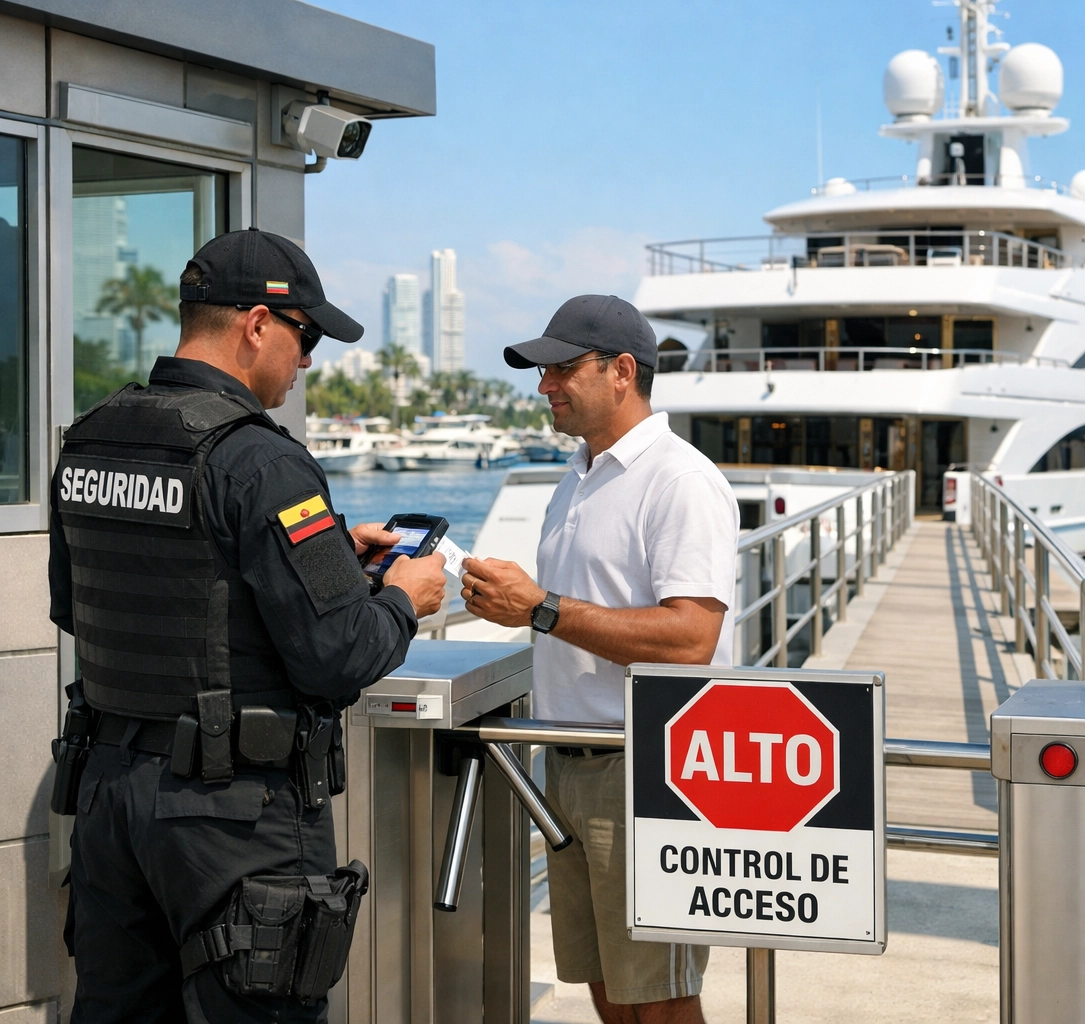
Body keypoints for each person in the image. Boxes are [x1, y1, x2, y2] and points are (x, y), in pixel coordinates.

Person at [49, 227, 447, 1023]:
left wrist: (328, 549)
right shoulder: (260, 461)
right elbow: (340, 654)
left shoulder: (91, 438)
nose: (307, 363)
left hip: (109, 805)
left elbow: (79, 605)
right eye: (304, 338)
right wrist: (404, 597)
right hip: (233, 821)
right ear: (255, 326)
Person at [460, 294, 737, 1024]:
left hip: (647, 768)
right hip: (568, 764)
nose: (544, 386)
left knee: (663, 997)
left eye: (559, 368)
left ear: (621, 371)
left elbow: (690, 640)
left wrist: (543, 608)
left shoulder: (681, 479)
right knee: (606, 987)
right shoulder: (575, 478)